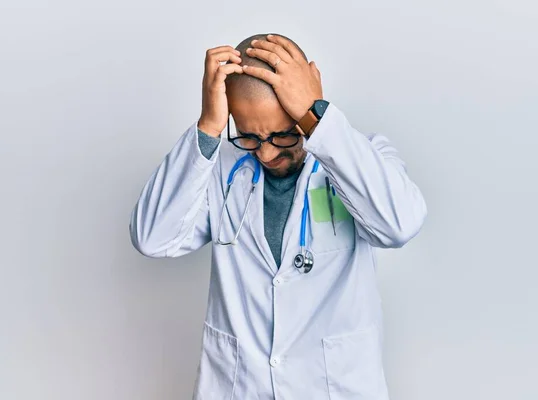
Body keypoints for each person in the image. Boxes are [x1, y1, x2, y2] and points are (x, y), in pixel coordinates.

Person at [129, 32, 428, 400]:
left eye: (284, 136)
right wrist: (208, 126)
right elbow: (152, 236)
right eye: (250, 137)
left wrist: (320, 118)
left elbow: (399, 225)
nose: (267, 154)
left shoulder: (359, 158)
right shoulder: (218, 170)